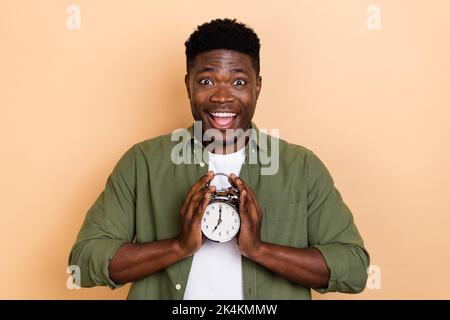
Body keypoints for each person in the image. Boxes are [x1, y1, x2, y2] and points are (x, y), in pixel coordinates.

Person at [69, 18, 369, 299]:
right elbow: (83, 262)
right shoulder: (142, 163)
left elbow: (354, 269)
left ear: (258, 86)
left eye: (238, 82)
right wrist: (178, 246)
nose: (222, 97)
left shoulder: (301, 167)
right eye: (207, 81)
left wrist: (260, 250)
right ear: (188, 85)